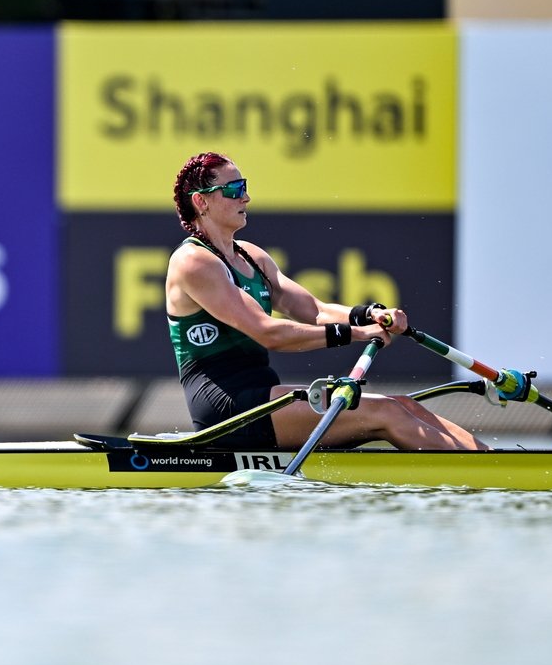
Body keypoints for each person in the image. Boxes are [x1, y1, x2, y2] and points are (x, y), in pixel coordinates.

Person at [165, 151, 487, 451]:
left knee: (405, 404)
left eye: (245, 186)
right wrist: (355, 335)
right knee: (387, 412)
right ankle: (489, 479)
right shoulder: (194, 262)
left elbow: (315, 310)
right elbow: (269, 333)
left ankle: (494, 463)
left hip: (264, 396)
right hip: (229, 410)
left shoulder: (253, 257)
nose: (246, 197)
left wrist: (370, 315)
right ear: (201, 202)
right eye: (234, 189)